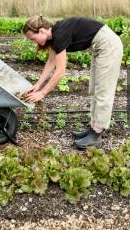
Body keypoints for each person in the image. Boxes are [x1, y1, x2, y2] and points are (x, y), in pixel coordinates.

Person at [22, 16, 123, 149]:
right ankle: (93, 127)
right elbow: (51, 61)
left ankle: (96, 134)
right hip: (99, 48)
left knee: (103, 91)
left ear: (41, 31)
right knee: (94, 89)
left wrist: (43, 93)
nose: (33, 42)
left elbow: (60, 72)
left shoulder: (59, 35)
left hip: (108, 46)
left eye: (32, 38)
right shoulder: (54, 36)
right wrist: (38, 85)